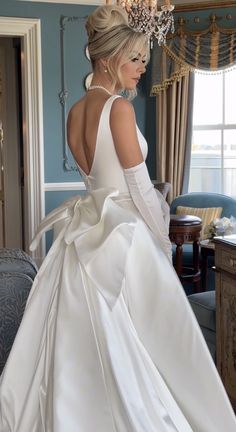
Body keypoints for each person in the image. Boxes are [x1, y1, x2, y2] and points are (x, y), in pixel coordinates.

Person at [0, 4, 236, 432]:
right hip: (123, 236)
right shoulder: (120, 110)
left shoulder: (74, 113)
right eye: (135, 60)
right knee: (149, 342)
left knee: (82, 345)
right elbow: (139, 189)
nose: (142, 69)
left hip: (84, 234)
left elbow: (96, 180)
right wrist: (162, 243)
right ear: (109, 58)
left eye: (144, 60)